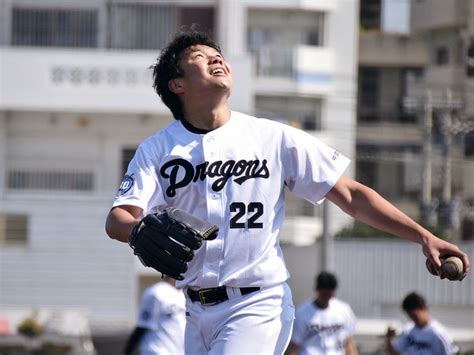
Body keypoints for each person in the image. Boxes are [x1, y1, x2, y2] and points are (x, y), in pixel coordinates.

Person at [105, 29, 470, 355]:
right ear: (177, 85)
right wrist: (136, 230)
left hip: (256, 305)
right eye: (199, 57)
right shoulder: (157, 149)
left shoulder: (272, 137)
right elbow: (119, 216)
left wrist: (424, 236)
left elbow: (352, 196)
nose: (215, 58)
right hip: (193, 310)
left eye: (218, 54)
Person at [285, 272, 358, 355]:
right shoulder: (302, 313)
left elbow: (348, 341)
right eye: (324, 294)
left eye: (330, 294)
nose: (327, 298)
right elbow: (294, 345)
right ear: (317, 290)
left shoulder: (343, 310)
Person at [123, 276, 185, 355]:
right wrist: (128, 351)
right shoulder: (155, 293)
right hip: (156, 350)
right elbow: (142, 326)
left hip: (178, 351)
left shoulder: (184, 294)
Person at [384, 292, 458, 355]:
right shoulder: (408, 331)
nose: (412, 319)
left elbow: (451, 352)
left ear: (423, 307)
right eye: (410, 316)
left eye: (414, 315)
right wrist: (388, 339)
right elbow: (395, 352)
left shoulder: (438, 333)